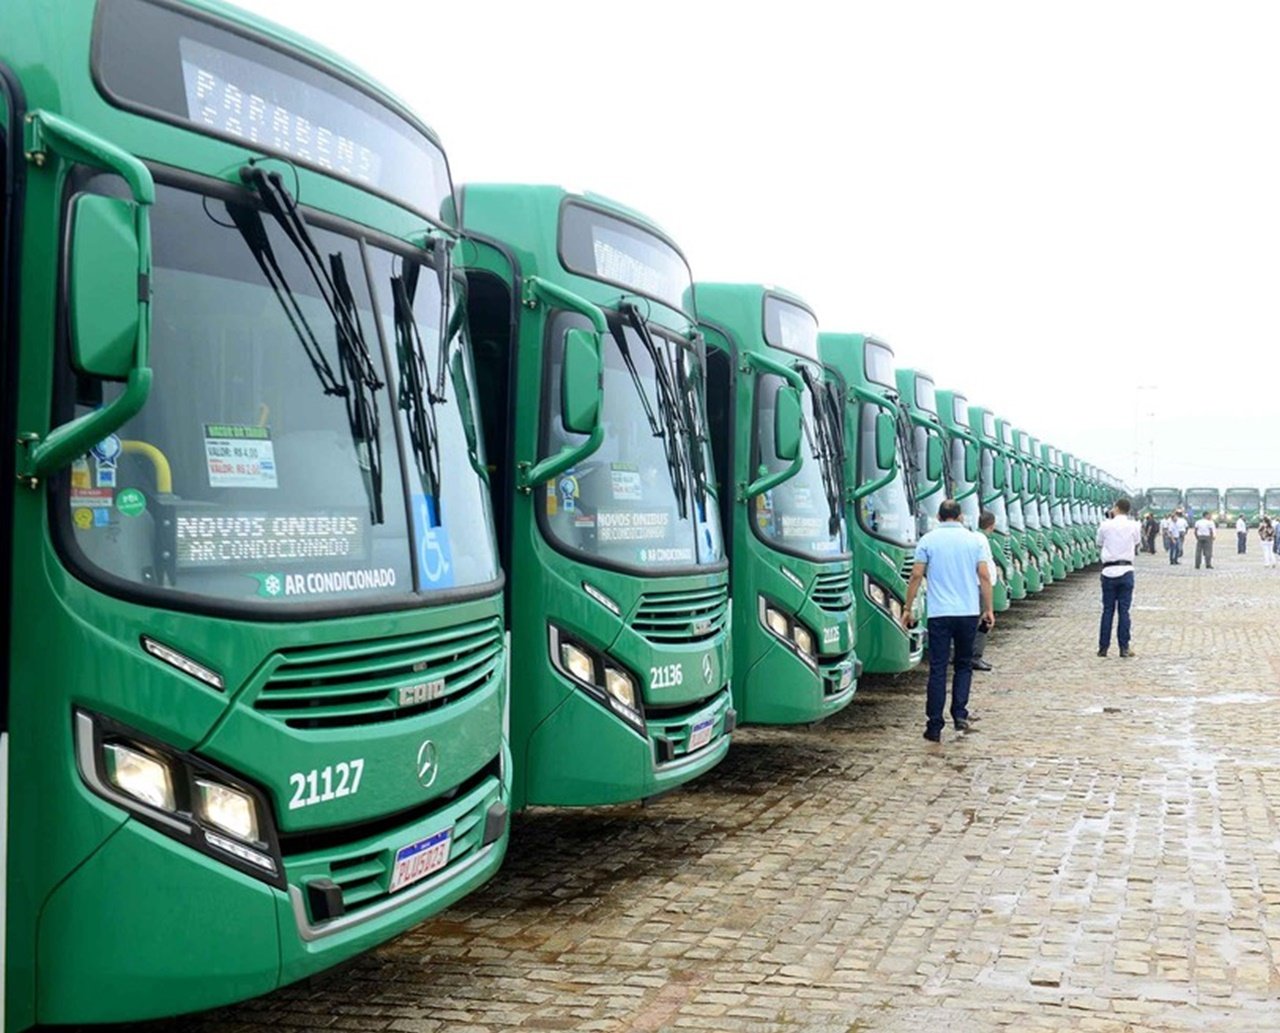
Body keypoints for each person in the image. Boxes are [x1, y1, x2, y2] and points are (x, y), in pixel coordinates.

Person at [902, 499, 994, 743]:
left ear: (939, 517)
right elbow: (984, 575)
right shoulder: (974, 541)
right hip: (967, 612)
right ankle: (960, 714)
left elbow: (916, 575)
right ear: (961, 516)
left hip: (939, 613)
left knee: (938, 669)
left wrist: (907, 608)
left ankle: (934, 725)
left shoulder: (928, 540)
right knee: (963, 665)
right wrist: (989, 609)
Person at [1097, 497, 1141, 657]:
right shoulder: (1134, 525)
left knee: (1107, 610)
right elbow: (1137, 542)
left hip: (1108, 571)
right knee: (1124, 611)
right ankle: (1124, 647)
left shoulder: (1105, 525)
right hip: (1126, 570)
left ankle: (1103, 648)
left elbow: (1099, 542)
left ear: (1116, 508)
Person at [971, 511, 999, 672]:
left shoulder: (976, 537)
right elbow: (984, 569)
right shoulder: (981, 540)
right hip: (981, 586)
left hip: (976, 585)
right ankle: (976, 656)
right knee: (983, 622)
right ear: (992, 525)